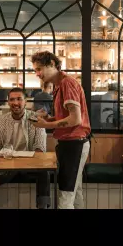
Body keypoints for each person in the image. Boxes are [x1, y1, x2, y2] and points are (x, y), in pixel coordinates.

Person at [30, 51, 91, 209]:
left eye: (39, 69)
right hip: (70, 144)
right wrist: (48, 119)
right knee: (74, 192)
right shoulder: (59, 86)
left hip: (74, 144)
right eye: (35, 70)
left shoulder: (66, 83)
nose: (37, 74)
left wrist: (46, 125)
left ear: (51, 64)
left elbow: (75, 119)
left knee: (65, 196)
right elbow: (66, 118)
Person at [0, 87, 50, 209]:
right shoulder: (1, 121)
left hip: (29, 166)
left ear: (25, 101)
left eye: (19, 99)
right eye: (12, 99)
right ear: (8, 102)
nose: (15, 103)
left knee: (44, 172)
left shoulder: (35, 118)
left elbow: (40, 148)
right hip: (7, 166)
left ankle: (43, 206)